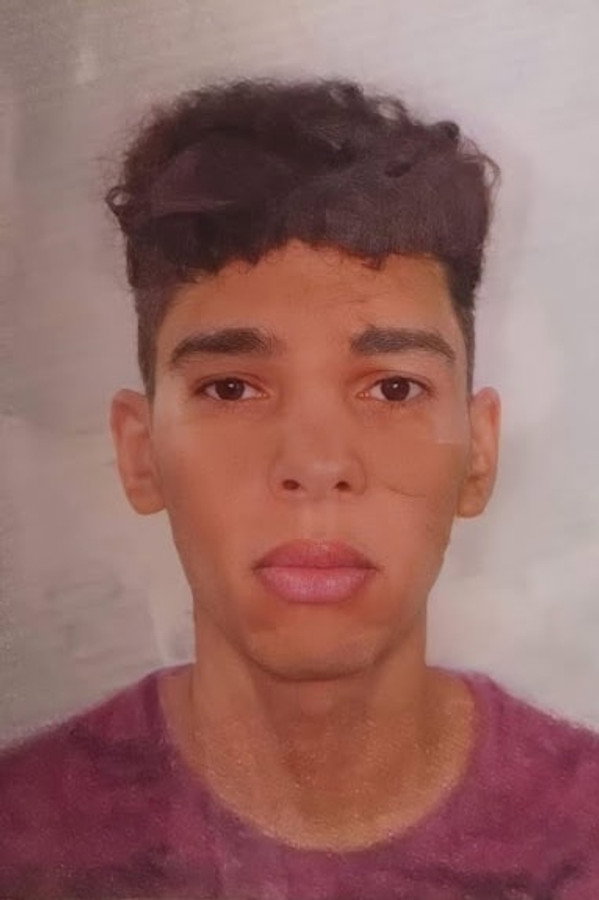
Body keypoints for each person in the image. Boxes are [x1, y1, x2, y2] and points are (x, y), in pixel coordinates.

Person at [1, 77, 598, 900]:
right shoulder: (23, 841)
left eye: (392, 388)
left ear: (477, 454)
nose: (315, 464)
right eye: (231, 388)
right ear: (140, 454)